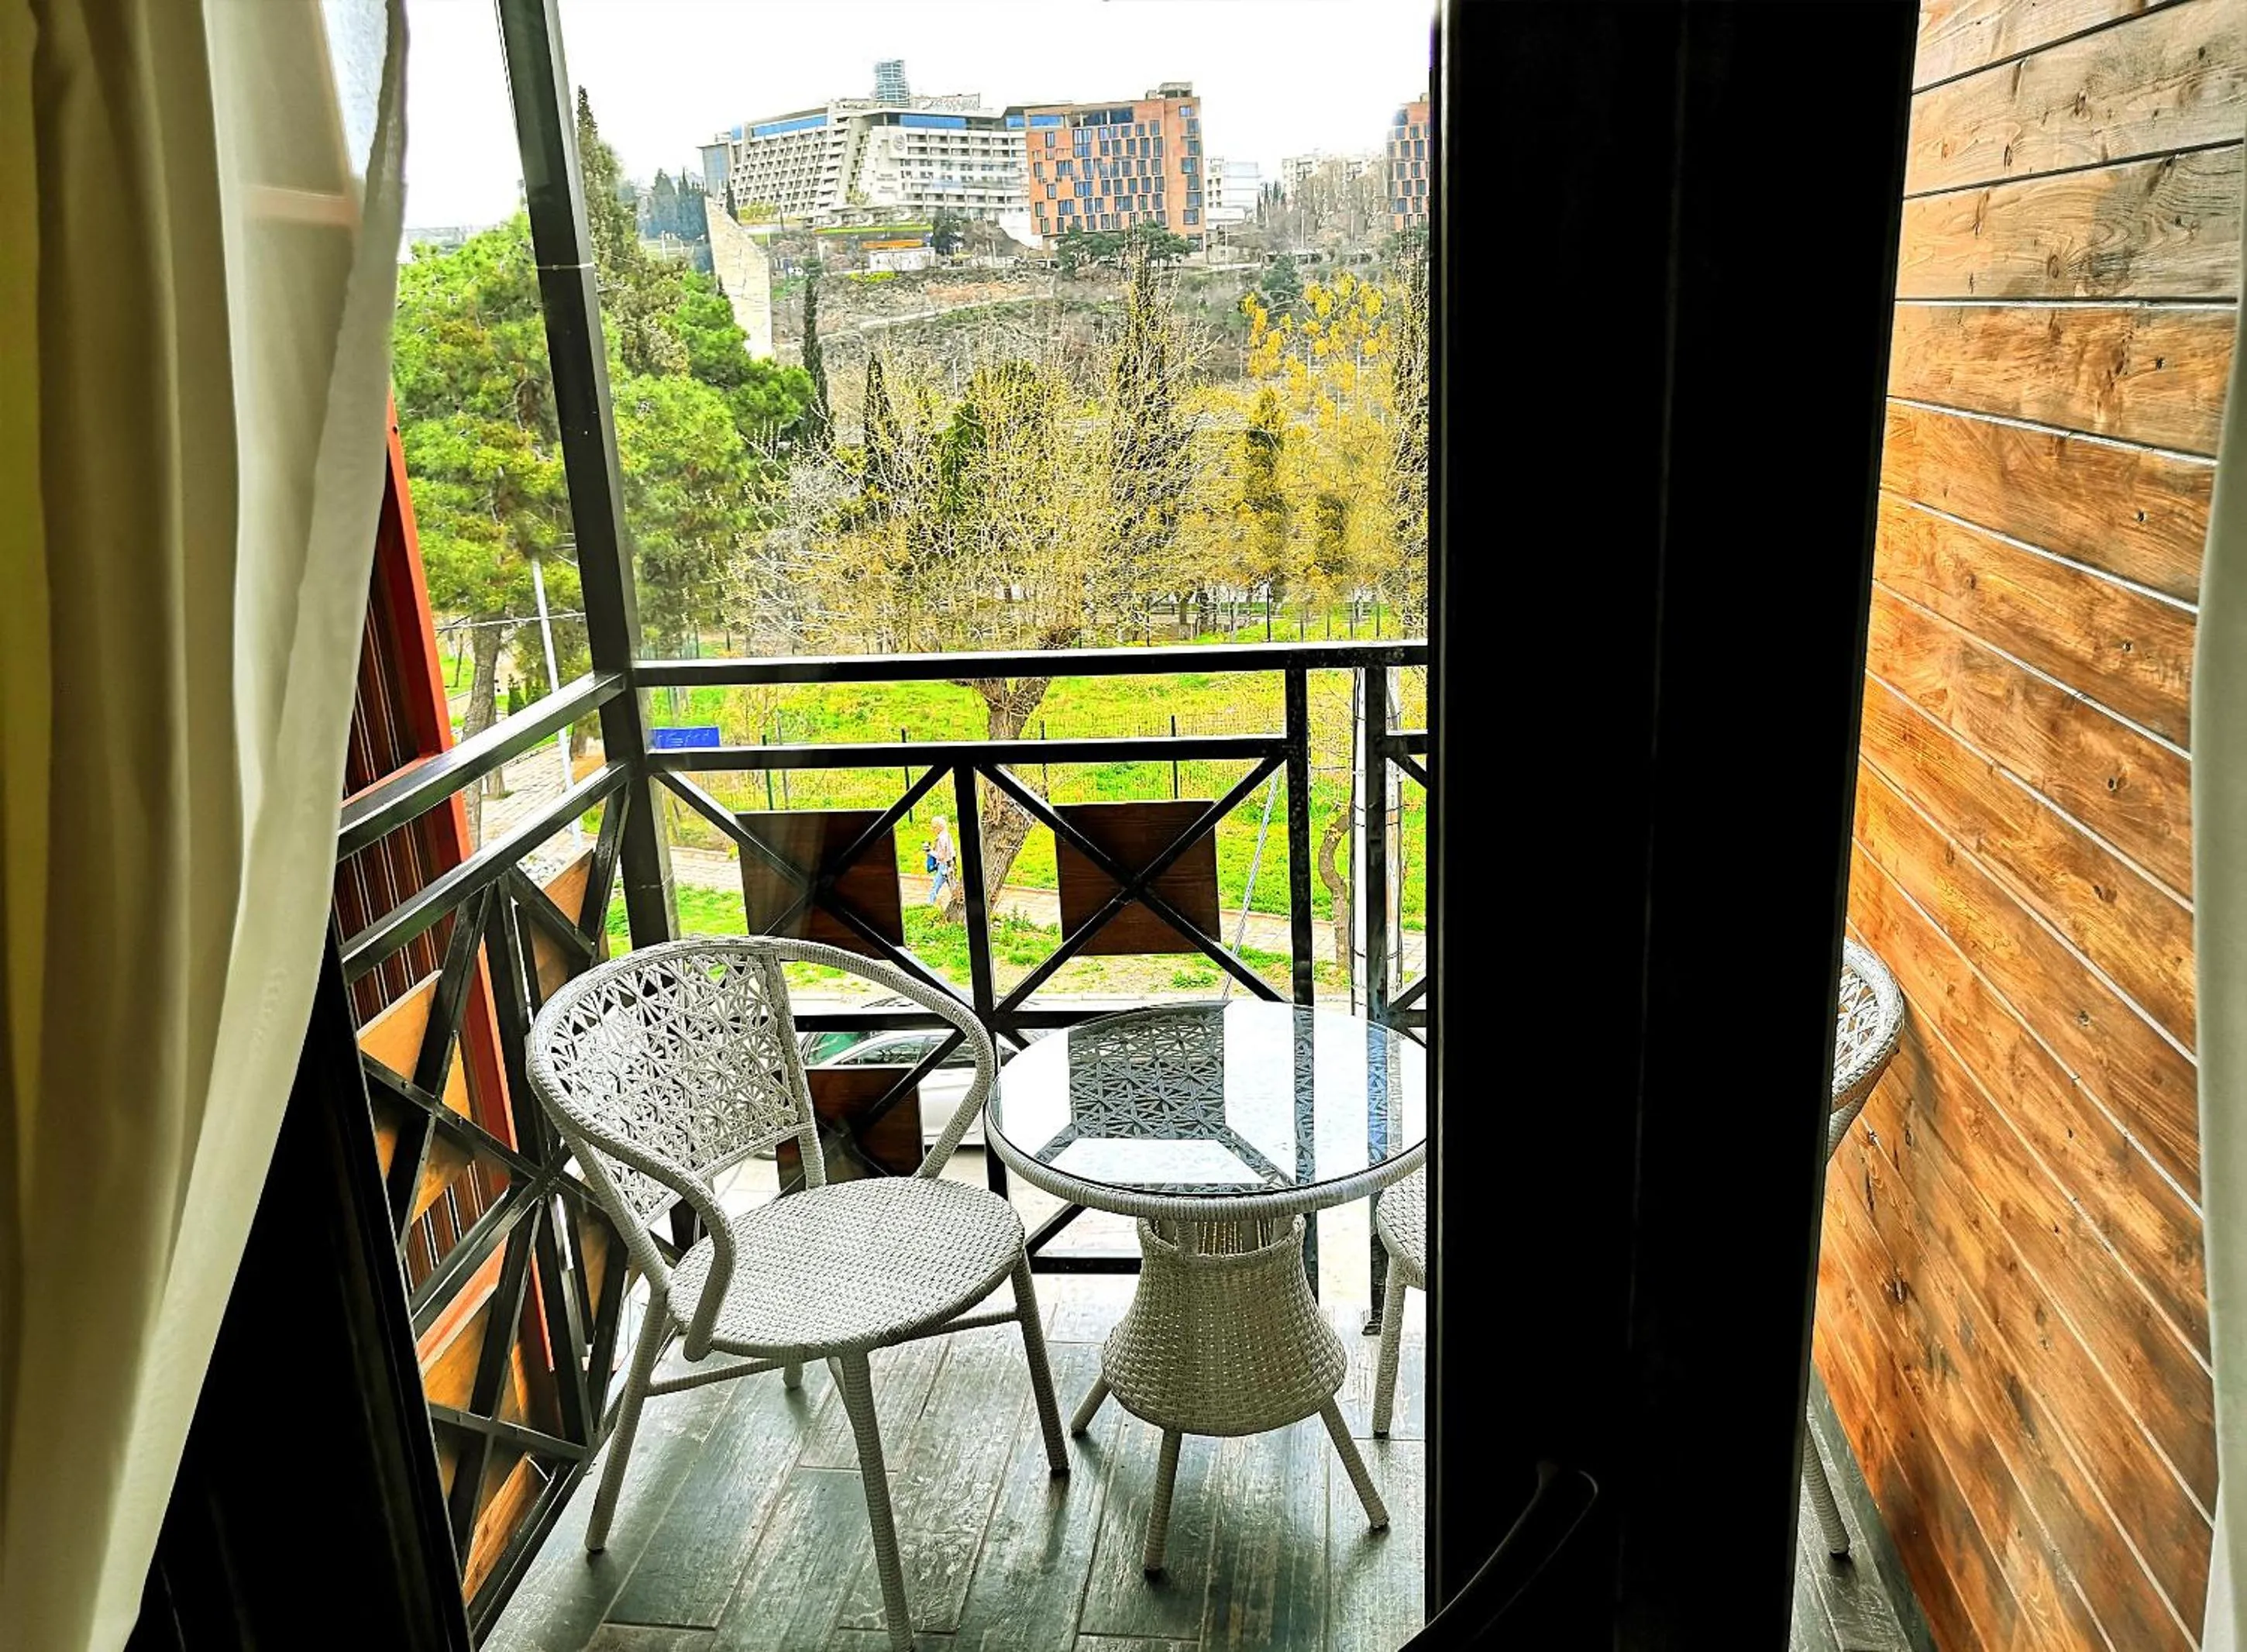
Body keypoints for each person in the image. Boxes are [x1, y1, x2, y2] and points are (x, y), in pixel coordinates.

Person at [926, 815, 957, 908]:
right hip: (951, 864)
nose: (933, 829)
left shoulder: (941, 839)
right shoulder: (947, 835)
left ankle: (929, 905)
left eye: (934, 827)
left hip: (944, 866)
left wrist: (930, 852)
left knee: (935, 887)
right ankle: (959, 901)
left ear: (938, 827)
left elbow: (941, 856)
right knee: (953, 886)